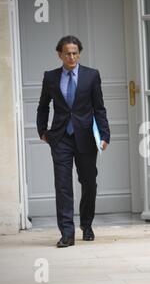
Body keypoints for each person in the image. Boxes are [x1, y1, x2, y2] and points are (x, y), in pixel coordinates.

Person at [37, 36, 110, 248]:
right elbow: (43, 106)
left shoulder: (91, 75)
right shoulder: (50, 77)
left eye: (75, 52)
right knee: (62, 185)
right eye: (67, 53)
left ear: (79, 53)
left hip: (86, 137)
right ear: (59, 54)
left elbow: (99, 108)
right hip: (60, 138)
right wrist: (43, 130)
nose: (72, 57)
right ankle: (67, 233)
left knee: (88, 182)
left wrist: (104, 135)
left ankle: (86, 224)